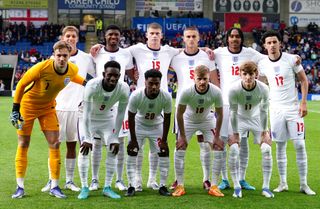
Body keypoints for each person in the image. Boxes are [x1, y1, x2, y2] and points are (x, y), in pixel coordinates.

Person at [10, 40, 86, 199]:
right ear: (54, 55)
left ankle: (55, 186)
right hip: (28, 106)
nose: (61, 59)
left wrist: (89, 83)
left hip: (48, 108)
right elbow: (21, 84)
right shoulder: (41, 67)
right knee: (23, 143)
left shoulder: (72, 68)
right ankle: (20, 187)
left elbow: (73, 77)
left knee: (55, 143)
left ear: (69, 55)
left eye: (65, 55)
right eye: (58, 55)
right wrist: (15, 108)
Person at [258, 30, 316, 196]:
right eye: (268, 43)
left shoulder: (291, 59)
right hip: (275, 109)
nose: (272, 45)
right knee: (280, 146)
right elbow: (261, 85)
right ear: (264, 46)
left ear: (280, 43)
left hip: (293, 108)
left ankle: (304, 184)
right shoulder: (262, 64)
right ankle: (283, 182)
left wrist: (303, 102)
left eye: (274, 42)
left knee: (299, 145)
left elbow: (304, 80)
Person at [41, 26, 95, 193]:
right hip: (57, 108)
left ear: (77, 39)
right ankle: (52, 180)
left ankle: (70, 181)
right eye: (68, 36)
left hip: (77, 109)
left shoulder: (86, 58)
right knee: (54, 145)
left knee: (72, 146)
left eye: (73, 36)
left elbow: (93, 79)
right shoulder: (53, 58)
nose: (70, 38)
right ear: (63, 38)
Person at [214, 27, 266, 191]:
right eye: (232, 36)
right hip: (224, 104)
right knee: (222, 142)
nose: (235, 39)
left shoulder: (250, 53)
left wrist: (293, 57)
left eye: (237, 36)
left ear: (241, 39)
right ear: (227, 39)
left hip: (243, 106)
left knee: (242, 143)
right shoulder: (219, 52)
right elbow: (202, 53)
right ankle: (224, 179)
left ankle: (242, 179)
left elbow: (268, 59)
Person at [169, 26, 219, 191]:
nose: (191, 39)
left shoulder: (207, 56)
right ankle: (178, 180)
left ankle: (206, 179)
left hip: (204, 107)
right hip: (184, 108)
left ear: (199, 38)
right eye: (188, 36)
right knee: (180, 143)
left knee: (205, 145)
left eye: (194, 36)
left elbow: (214, 79)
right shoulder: (176, 57)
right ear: (183, 39)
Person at [88, 25, 134, 192]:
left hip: (119, 101)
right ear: (104, 36)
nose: (113, 37)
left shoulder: (126, 53)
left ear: (120, 36)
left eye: (116, 34)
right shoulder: (96, 52)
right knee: (97, 143)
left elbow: (130, 74)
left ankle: (119, 179)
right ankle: (94, 179)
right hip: (99, 103)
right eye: (110, 34)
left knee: (119, 142)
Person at [77, 60, 129, 199]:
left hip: (107, 118)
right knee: (84, 150)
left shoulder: (124, 88)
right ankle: (84, 187)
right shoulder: (92, 85)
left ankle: (107, 187)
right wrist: (88, 138)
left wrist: (115, 137)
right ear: (103, 74)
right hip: (87, 118)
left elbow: (120, 115)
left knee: (113, 148)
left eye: (116, 75)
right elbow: (87, 114)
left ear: (120, 75)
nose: (113, 78)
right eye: (109, 75)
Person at [172, 65, 223, 197]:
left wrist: (217, 137)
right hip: (188, 120)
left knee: (218, 148)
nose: (202, 82)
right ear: (194, 78)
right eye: (199, 79)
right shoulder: (186, 91)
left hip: (207, 120)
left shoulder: (216, 91)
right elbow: (179, 114)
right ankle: (180, 185)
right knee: (179, 149)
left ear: (209, 79)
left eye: (205, 79)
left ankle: (214, 185)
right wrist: (182, 136)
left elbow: (220, 114)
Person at [228, 61, 273, 198]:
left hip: (256, 119)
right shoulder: (234, 89)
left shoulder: (264, 88)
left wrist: (265, 131)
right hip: (239, 119)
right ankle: (236, 187)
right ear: (240, 74)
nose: (248, 77)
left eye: (251, 74)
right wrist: (235, 134)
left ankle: (266, 187)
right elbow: (233, 112)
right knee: (234, 149)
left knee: (267, 149)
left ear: (256, 74)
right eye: (245, 74)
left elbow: (264, 111)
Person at [125, 69, 172, 197]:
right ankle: (132, 185)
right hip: (139, 125)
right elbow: (130, 117)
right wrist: (133, 139)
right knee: (132, 151)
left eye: (157, 83)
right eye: (151, 83)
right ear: (145, 82)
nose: (154, 86)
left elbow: (167, 118)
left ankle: (161, 185)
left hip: (156, 126)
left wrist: (164, 140)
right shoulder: (136, 95)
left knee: (163, 152)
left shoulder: (166, 96)